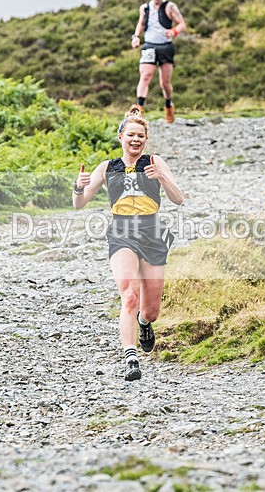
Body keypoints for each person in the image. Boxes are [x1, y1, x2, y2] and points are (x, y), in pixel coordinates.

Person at [73, 107, 184, 381]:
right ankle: (131, 357)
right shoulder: (107, 167)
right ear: (120, 136)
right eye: (131, 135)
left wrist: (162, 178)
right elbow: (79, 203)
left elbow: (178, 198)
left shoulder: (154, 161)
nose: (136, 139)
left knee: (150, 309)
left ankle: (144, 324)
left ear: (145, 139)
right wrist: (78, 186)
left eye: (141, 136)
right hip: (121, 231)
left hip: (152, 231)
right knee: (129, 294)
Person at [130, 0, 187, 124]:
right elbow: (141, 23)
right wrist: (136, 37)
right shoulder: (145, 8)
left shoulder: (169, 7)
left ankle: (168, 106)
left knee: (165, 83)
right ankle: (139, 108)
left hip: (165, 47)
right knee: (146, 75)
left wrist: (174, 31)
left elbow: (182, 24)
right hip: (149, 45)